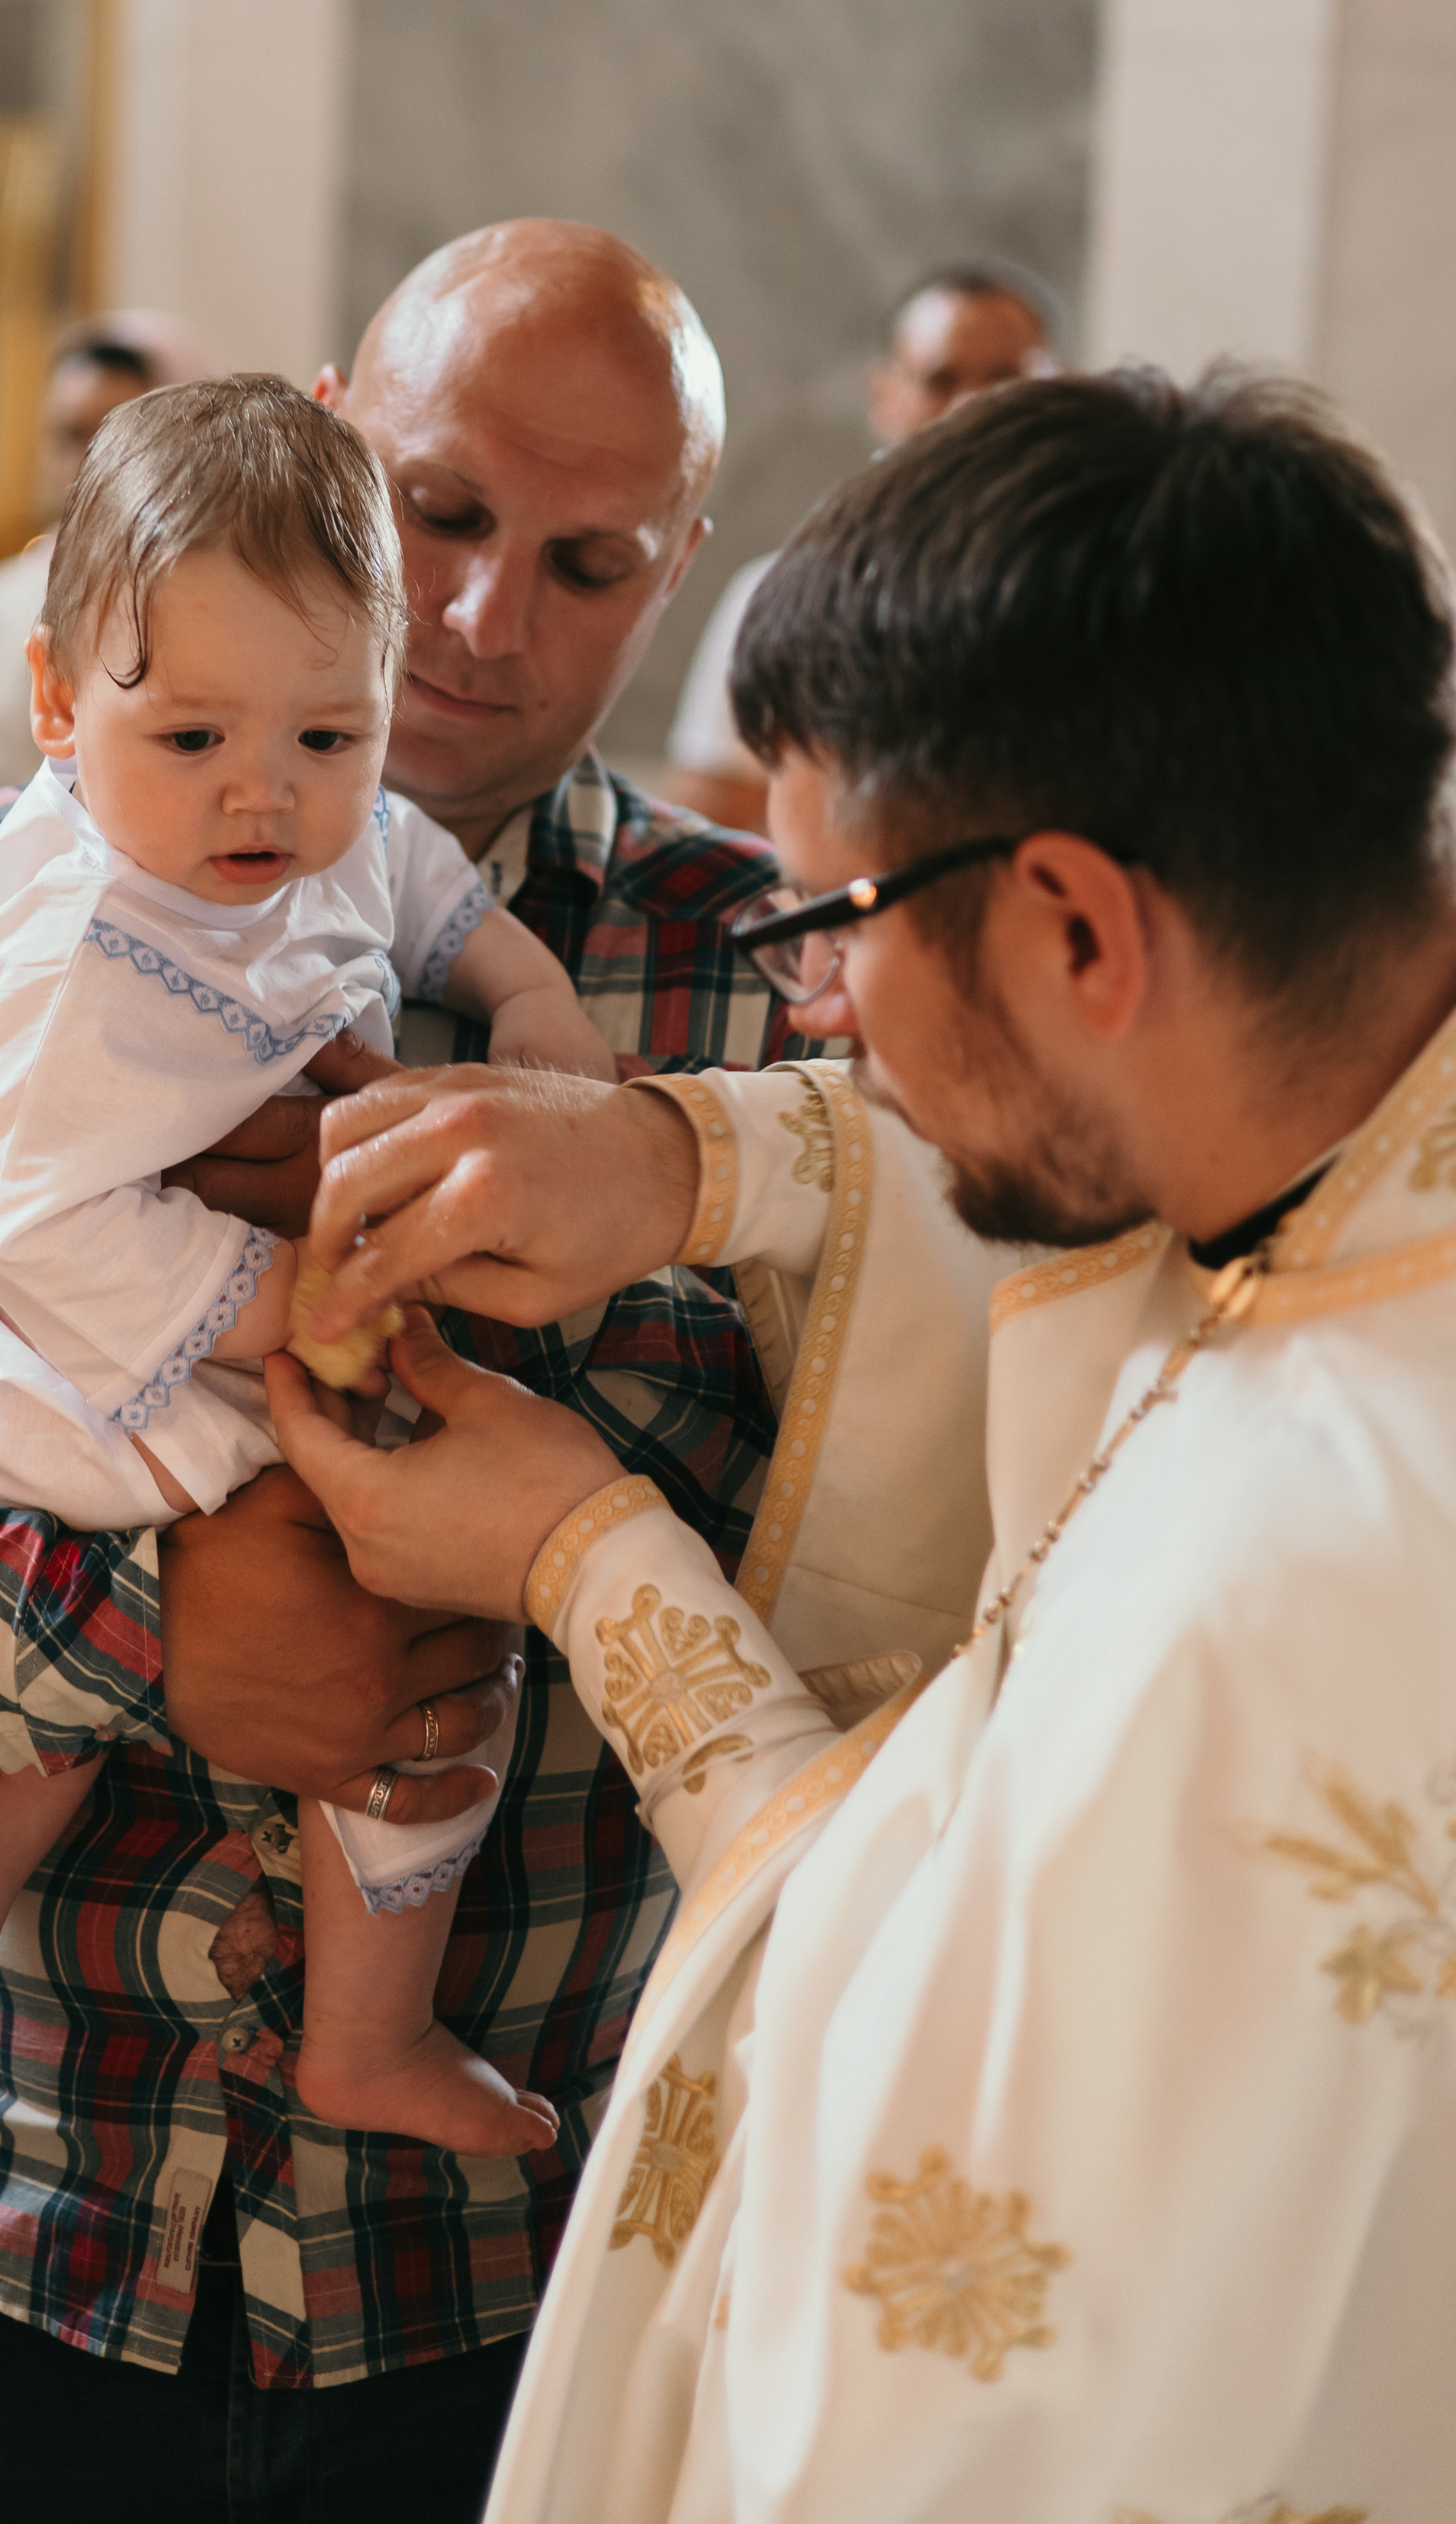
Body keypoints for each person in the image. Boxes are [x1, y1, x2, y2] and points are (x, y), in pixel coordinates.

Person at [0, 222, 831, 2524]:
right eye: (438, 511)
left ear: (678, 566)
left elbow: (859, 1512)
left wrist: (517, 1250)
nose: (480, 615)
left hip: (504, 2276)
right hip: (18, 2222)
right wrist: (129, 1626)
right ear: (329, 440)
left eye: (586, 561)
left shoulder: (750, 979)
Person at [275, 364, 1456, 2516]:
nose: (807, 1009)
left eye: (830, 926)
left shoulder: (1285, 1599)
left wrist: (584, 1558)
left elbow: (922, 2161)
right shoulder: (1356, 1155)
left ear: (1078, 926)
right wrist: (681, 1160)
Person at [0, 378, 616, 2310]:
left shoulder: (321, 818)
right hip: (54, 1358)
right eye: (189, 738)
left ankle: (351, 2036)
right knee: (15, 1754)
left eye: (326, 735)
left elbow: (410, 873)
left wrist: (523, 996)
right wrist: (290, 1303)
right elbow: (34, 1219)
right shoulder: (76, 955)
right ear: (54, 702)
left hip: (185, 1329)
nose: (265, 795)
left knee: (417, 1665)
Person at [664, 256, 1059, 835]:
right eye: (941, 380)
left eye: (1006, 379)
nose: (973, 408)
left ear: (1060, 391)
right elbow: (705, 831)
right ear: (884, 396)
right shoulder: (786, 596)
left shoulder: (1122, 587)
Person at [0, 309, 220, 804]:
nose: (88, 460)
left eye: (114, 431)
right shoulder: (14, 595)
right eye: (70, 435)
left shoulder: (221, 594)